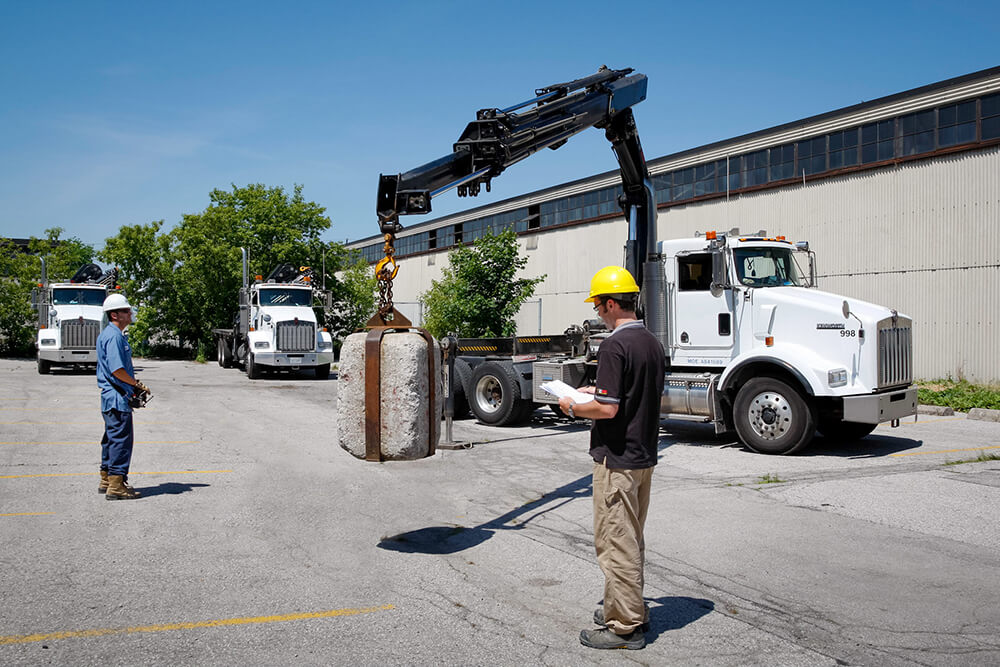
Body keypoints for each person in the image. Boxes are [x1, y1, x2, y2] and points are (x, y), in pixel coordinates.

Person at [558, 266, 665, 651]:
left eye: (599, 305)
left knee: (615, 541)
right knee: (630, 537)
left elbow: (607, 410)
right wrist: (597, 390)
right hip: (642, 456)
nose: (598, 313)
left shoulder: (614, 346)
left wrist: (572, 405)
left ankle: (625, 627)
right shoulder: (650, 342)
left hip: (616, 460)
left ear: (608, 304)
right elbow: (631, 395)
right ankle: (627, 606)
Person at [96, 293, 148, 500]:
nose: (130, 313)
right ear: (115, 314)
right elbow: (117, 370)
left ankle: (107, 478)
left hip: (111, 397)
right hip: (117, 398)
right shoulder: (114, 336)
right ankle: (116, 486)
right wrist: (135, 384)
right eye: (126, 310)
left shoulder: (109, 334)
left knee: (111, 439)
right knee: (120, 441)